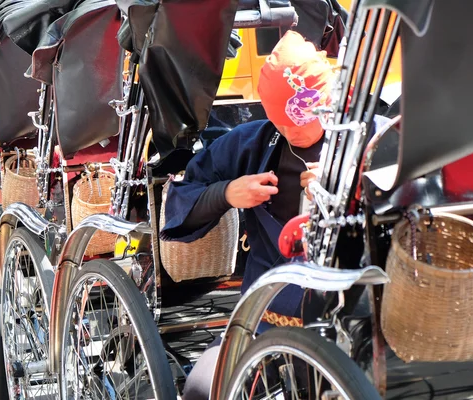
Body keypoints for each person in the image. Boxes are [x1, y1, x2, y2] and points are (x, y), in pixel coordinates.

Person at [160, 30, 387, 399]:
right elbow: (183, 197)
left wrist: (352, 193)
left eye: (301, 121)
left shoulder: (370, 138)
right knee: (202, 388)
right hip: (266, 316)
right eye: (282, 122)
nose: (292, 130)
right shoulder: (252, 143)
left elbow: (414, 211)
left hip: (355, 315)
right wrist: (227, 193)